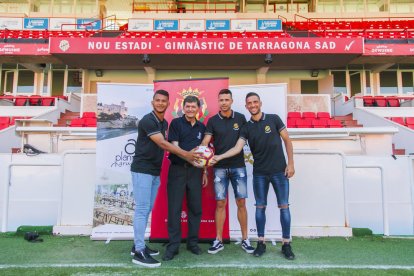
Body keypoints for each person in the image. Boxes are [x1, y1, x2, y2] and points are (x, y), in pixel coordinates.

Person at [210, 92, 296, 260]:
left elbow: (287, 140)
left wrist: (291, 164)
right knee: (260, 207)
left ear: (260, 103)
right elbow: (237, 148)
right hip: (259, 174)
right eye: (249, 103)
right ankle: (261, 243)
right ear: (246, 105)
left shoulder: (274, 119)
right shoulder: (246, 127)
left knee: (284, 206)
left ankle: (286, 244)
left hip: (280, 171)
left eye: (255, 102)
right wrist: (218, 157)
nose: (253, 105)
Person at [130, 90, 200, 267]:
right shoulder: (148, 120)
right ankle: (138, 251)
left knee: (146, 209)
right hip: (142, 169)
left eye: (164, 101)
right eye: (157, 100)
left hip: (154, 171)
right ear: (152, 102)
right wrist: (187, 154)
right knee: (142, 209)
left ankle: (138, 245)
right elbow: (162, 143)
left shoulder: (164, 122)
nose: (160, 103)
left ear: (168, 104)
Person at [200, 89, 255, 254]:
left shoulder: (240, 118)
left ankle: (245, 239)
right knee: (220, 203)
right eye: (221, 100)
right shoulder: (212, 121)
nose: (224, 102)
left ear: (231, 101)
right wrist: (203, 165)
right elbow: (205, 142)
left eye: (227, 99)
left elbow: (242, 143)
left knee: (241, 203)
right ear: (218, 101)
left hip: (238, 166)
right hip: (219, 169)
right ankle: (218, 240)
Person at [162, 95, 208, 261]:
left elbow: (204, 154)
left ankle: (192, 243)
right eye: (187, 106)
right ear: (183, 108)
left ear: (198, 109)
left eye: (193, 107)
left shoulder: (202, 127)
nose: (190, 109)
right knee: (174, 209)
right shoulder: (176, 123)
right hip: (178, 170)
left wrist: (204, 172)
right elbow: (174, 147)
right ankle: (173, 245)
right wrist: (188, 156)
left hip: (195, 172)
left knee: (195, 208)